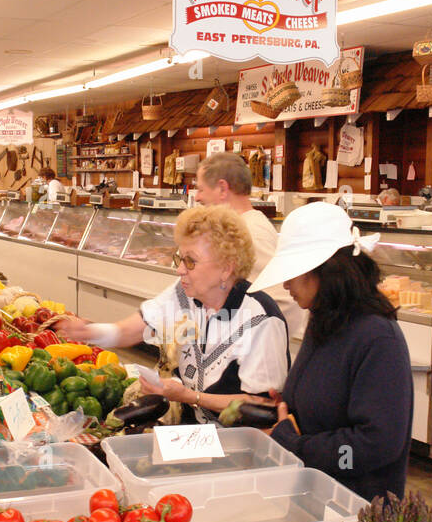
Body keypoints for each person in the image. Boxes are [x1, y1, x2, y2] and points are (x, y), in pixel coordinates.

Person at [57, 205, 289, 423]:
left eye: (191, 261)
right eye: (180, 259)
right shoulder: (184, 294)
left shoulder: (261, 320)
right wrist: (88, 332)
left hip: (240, 445)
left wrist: (190, 396)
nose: (180, 270)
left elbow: (263, 406)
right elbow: (131, 330)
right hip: (190, 433)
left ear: (226, 268)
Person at [250, 202, 412, 501]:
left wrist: (294, 445)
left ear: (325, 271)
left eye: (294, 273)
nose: (285, 284)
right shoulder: (325, 318)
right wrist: (288, 404)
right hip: (312, 498)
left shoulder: (377, 337)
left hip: (354, 512)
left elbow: (375, 445)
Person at [195, 152, 306, 340]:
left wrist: (237, 337)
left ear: (222, 188)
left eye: (201, 190)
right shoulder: (237, 227)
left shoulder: (251, 232)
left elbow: (284, 302)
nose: (197, 197)